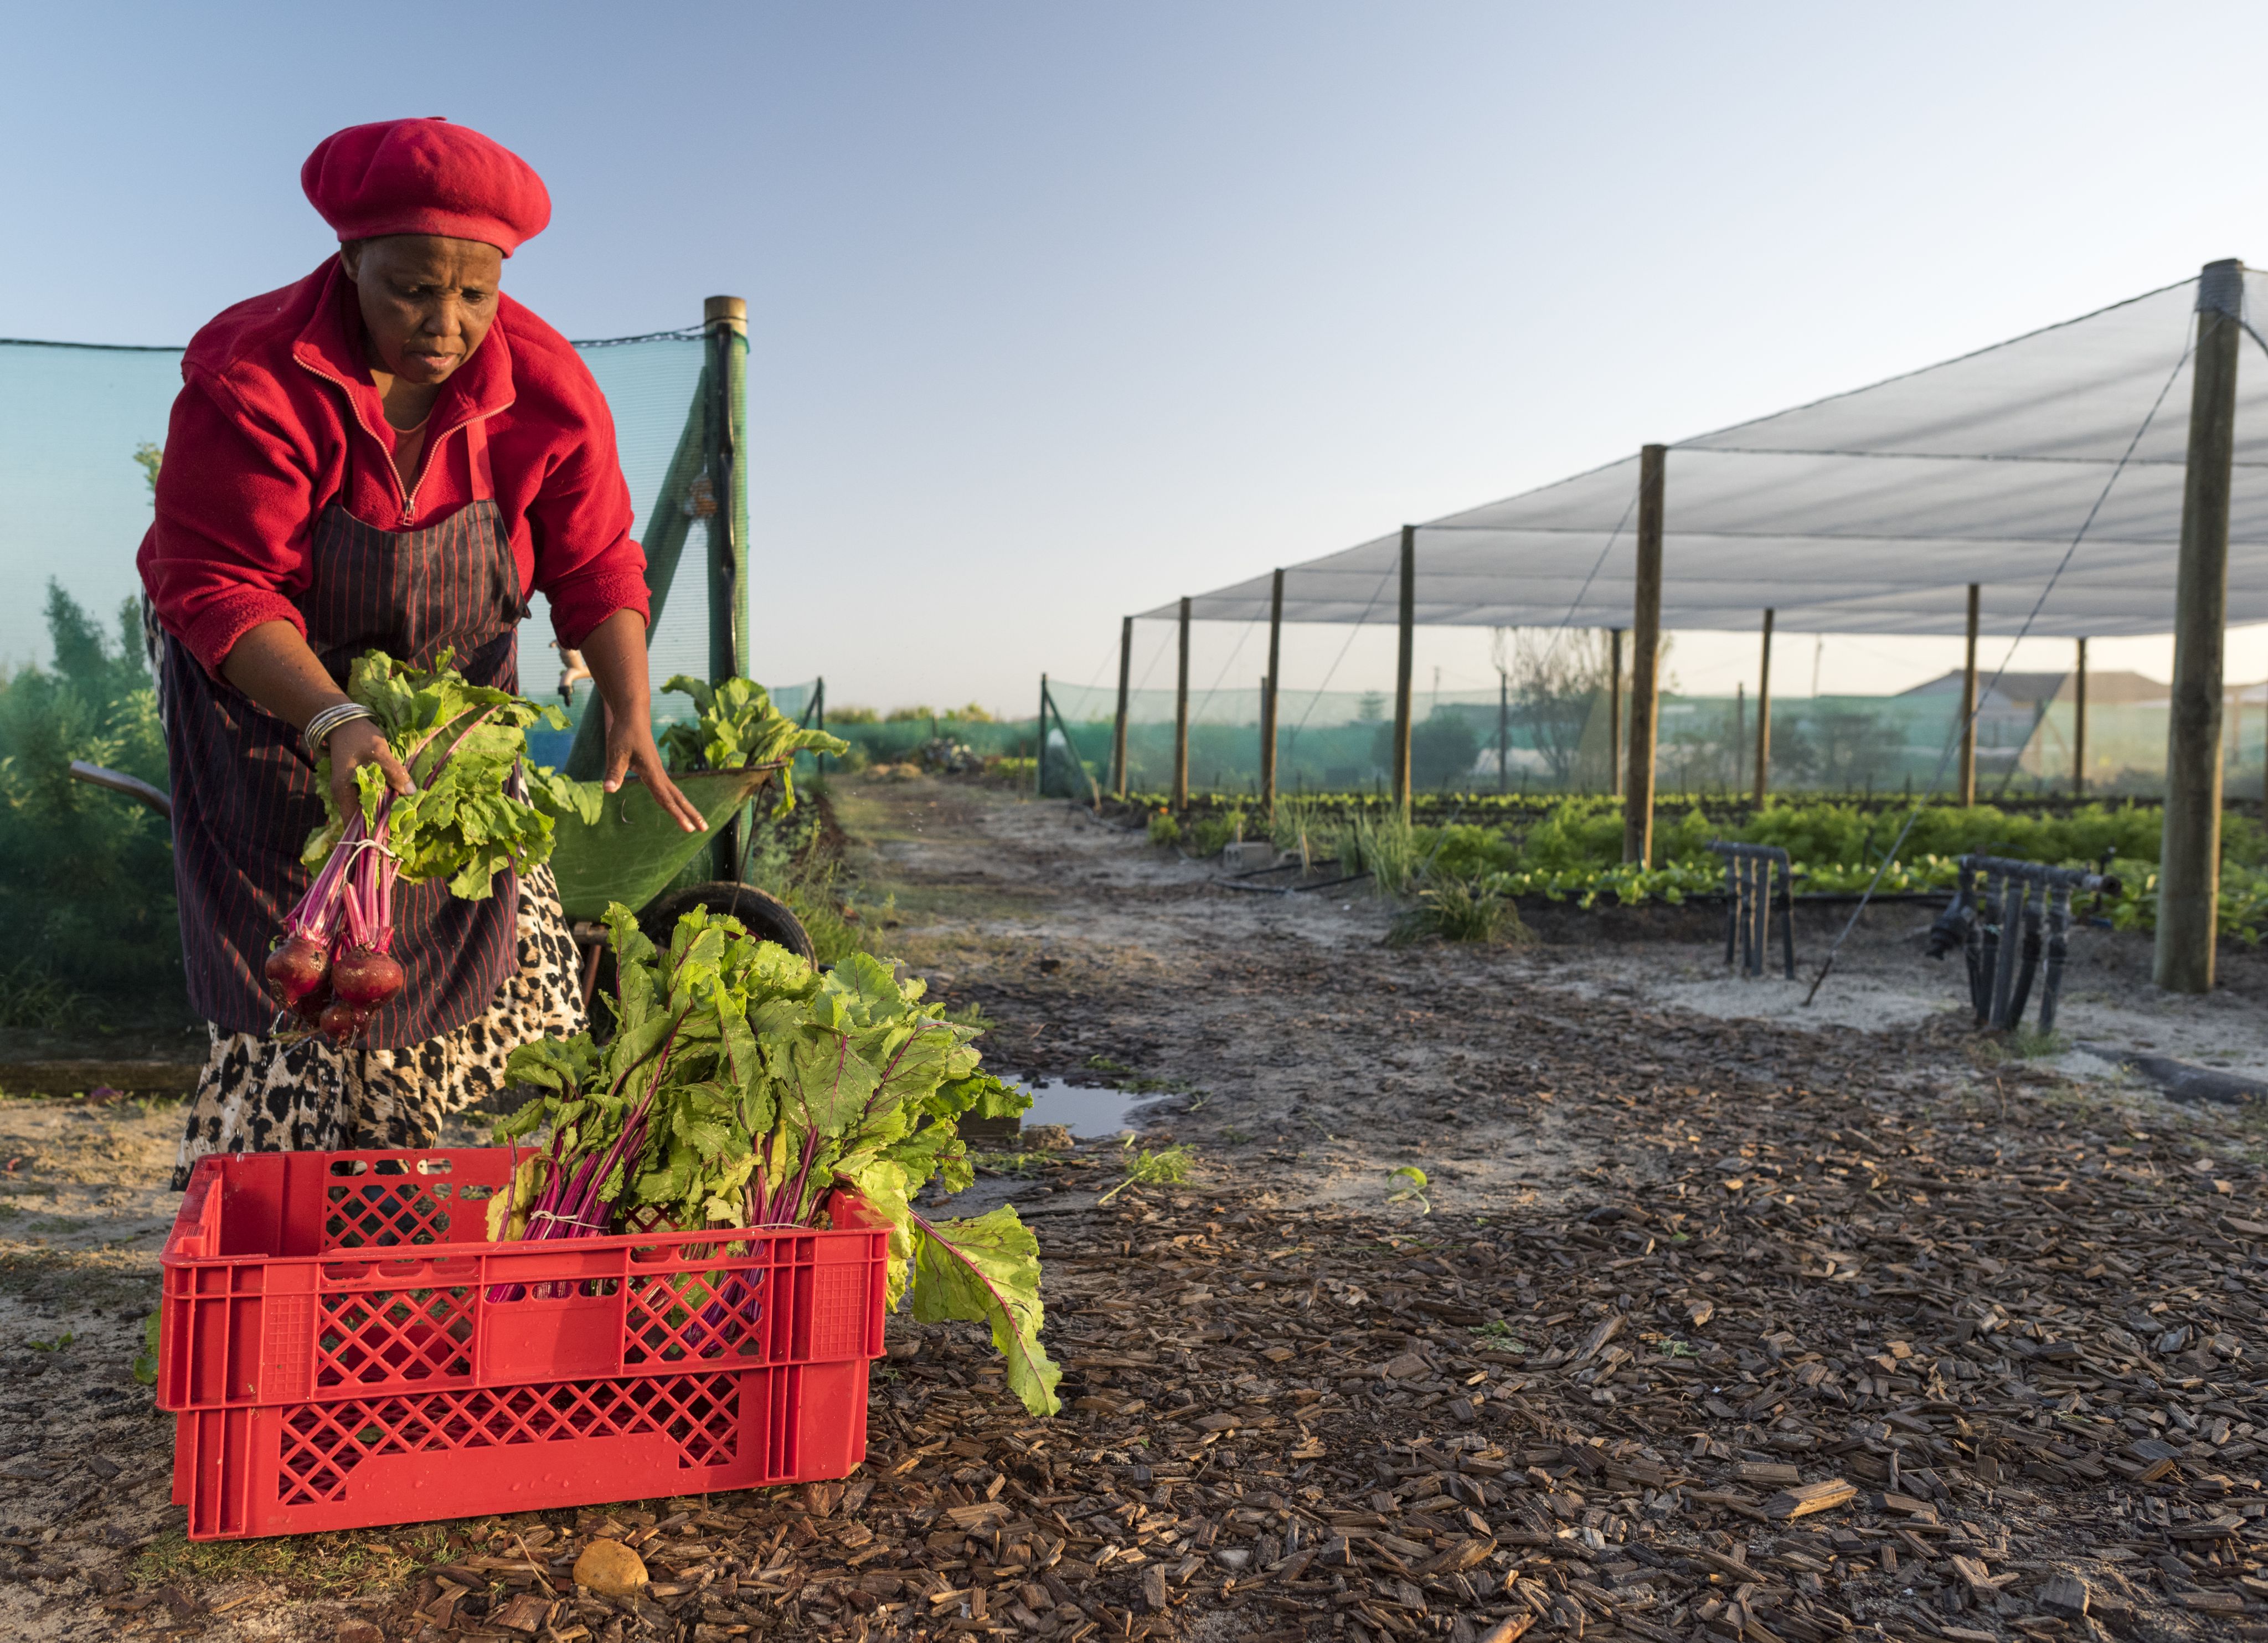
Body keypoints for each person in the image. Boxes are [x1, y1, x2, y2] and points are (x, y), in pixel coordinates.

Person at [138, 118, 704, 1187]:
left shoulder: (547, 386)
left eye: (474, 296)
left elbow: (596, 562)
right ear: (350, 261)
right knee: (291, 972)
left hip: (450, 705)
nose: (445, 324)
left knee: (455, 940)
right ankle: (280, 1203)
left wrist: (628, 700)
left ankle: (408, 1191)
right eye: (410, 289)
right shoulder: (251, 372)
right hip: (265, 696)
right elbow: (215, 581)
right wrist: (331, 719)